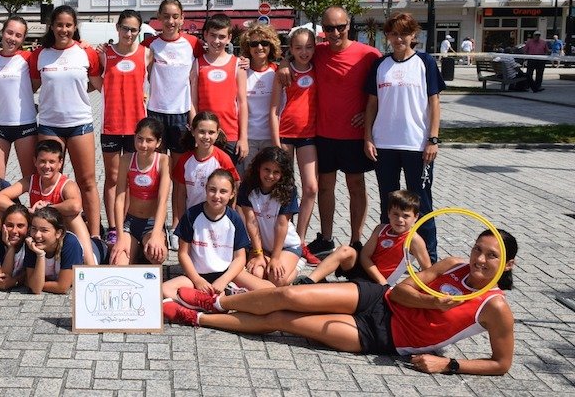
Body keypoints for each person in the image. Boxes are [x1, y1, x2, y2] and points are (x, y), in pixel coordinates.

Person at [165, 229, 518, 377]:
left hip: (383, 337)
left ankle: (193, 319)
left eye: (491, 256)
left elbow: (501, 364)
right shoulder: (453, 263)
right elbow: (403, 290)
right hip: (378, 298)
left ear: (507, 264)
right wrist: (435, 303)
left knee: (285, 319)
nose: (480, 259)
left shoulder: (494, 306)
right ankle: (216, 302)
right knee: (289, 294)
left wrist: (450, 365)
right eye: (478, 249)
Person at [284, 6, 381, 260]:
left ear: (349, 25)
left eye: (340, 27)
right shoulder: (319, 52)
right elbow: (295, 55)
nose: (335, 32)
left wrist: (371, 114)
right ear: (322, 31)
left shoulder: (369, 55)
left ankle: (356, 241)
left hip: (354, 135)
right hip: (323, 134)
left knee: (356, 187)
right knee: (325, 188)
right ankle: (326, 238)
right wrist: (284, 64)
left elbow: (384, 89)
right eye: (329, 28)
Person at [364, 13, 443, 262]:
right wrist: (367, 137)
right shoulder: (380, 65)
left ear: (413, 36)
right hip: (384, 144)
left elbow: (434, 102)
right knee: (388, 204)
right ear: (387, 36)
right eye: (393, 34)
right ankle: (387, 255)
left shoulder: (425, 62)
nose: (399, 39)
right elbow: (371, 104)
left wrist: (433, 138)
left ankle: (428, 258)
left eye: (404, 34)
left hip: (416, 145)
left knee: (422, 203)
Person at [28, 5, 103, 239]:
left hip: (79, 123)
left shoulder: (86, 52)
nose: (64, 29)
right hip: (49, 124)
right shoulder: (40, 54)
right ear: (52, 26)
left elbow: (97, 84)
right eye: (59, 24)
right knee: (49, 180)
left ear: (75, 26)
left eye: (68, 25)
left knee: (87, 181)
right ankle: (49, 233)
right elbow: (30, 87)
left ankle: (94, 235)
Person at [142, 0, 204, 222]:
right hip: (155, 114)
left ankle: (178, 223)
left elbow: (205, 68)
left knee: (179, 175)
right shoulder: (150, 45)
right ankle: (152, 222)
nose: (171, 21)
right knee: (155, 173)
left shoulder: (192, 44)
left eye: (175, 16)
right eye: (166, 16)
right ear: (159, 18)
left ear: (182, 18)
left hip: (180, 115)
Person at [0, 139, 101, 265]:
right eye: (42, 161)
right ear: (35, 162)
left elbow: (76, 206)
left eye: (52, 162)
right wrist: (26, 211)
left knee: (73, 217)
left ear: (60, 163)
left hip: (60, 235)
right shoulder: (30, 180)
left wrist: (48, 208)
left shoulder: (67, 184)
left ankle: (90, 265)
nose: (47, 166)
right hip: (39, 232)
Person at [161, 170, 270, 299]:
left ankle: (209, 299)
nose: (217, 196)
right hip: (198, 275)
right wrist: (197, 280)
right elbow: (183, 254)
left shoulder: (234, 219)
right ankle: (217, 301)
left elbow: (240, 258)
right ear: (206, 189)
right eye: (212, 189)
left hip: (228, 275)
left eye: (223, 191)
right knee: (163, 289)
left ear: (231, 194)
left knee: (270, 290)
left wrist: (224, 280)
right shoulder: (191, 215)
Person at [294, 190, 431, 286]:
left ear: (416, 217)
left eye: (406, 216)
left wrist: (385, 284)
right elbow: (365, 256)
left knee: (341, 294)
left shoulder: (414, 240)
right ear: (388, 213)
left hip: (377, 283)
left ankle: (323, 289)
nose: (400, 219)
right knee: (345, 250)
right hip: (364, 270)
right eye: (395, 214)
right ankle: (309, 281)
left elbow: (429, 271)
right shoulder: (381, 228)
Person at [98, 10, 152, 245]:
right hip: (111, 126)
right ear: (117, 28)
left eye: (133, 30)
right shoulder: (104, 54)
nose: (129, 33)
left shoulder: (147, 54)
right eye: (125, 28)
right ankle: (112, 226)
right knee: (111, 178)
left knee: (129, 178)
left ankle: (126, 225)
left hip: (135, 128)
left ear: (139, 32)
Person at [270, 28, 318, 263]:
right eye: (298, 48)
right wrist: (276, 142)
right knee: (285, 189)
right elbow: (273, 110)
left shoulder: (318, 68)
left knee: (310, 188)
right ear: (290, 49)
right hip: (286, 136)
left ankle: (299, 241)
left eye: (309, 47)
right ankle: (281, 239)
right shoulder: (283, 72)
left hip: (309, 136)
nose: (304, 52)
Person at [237, 147, 304, 287]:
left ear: (282, 174)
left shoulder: (289, 191)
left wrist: (275, 258)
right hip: (262, 247)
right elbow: (251, 222)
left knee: (277, 279)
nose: (270, 176)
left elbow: (282, 225)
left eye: (276, 172)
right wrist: (259, 254)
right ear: (258, 168)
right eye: (266, 169)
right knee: (256, 274)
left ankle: (297, 267)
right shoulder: (247, 187)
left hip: (286, 246)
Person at [110, 117, 171, 265]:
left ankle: (143, 251)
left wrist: (156, 234)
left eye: (149, 140)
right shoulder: (126, 160)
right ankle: (133, 252)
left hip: (152, 223)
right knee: (118, 262)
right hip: (130, 222)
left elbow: (163, 201)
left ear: (158, 142)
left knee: (157, 255)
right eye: (139, 139)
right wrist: (119, 236)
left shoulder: (163, 161)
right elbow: (119, 199)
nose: (143, 145)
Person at [192, 13, 248, 167]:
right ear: (205, 35)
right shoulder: (197, 64)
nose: (217, 41)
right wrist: (195, 132)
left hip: (230, 134)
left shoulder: (238, 65)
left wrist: (243, 138)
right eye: (213, 36)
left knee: (229, 183)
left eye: (222, 37)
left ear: (229, 38)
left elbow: (242, 103)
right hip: (205, 134)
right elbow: (193, 102)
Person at [0, 16, 38, 180]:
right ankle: (8, 206)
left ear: (23, 39)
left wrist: (83, 44)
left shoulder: (29, 58)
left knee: (30, 179)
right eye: (9, 33)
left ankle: (31, 207)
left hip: (24, 125)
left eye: (18, 35)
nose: (12, 38)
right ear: (2, 33)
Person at [171, 111, 239, 231]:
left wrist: (229, 215)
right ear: (193, 132)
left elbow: (234, 187)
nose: (206, 137)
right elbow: (180, 194)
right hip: (192, 219)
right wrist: (182, 221)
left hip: (217, 219)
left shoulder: (223, 159)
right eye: (202, 131)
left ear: (218, 133)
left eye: (211, 132)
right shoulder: (185, 160)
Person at [24, 206, 90, 294]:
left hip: (95, 251)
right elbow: (36, 289)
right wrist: (40, 255)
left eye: (44, 230)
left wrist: (35, 283)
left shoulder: (70, 243)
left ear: (58, 233)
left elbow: (62, 287)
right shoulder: (31, 243)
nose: (37, 235)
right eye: (34, 229)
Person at [241, 23, 281, 170]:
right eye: (254, 44)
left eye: (264, 43)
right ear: (248, 47)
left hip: (270, 137)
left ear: (271, 46)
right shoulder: (241, 71)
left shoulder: (278, 71)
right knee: (248, 179)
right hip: (248, 138)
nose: (259, 47)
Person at [0, 204, 32, 290]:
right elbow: (1, 281)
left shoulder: (31, 242)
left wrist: (15, 281)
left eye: (20, 226)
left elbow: (30, 274)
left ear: (28, 227)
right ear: (3, 226)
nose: (14, 231)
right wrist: (11, 248)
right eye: (9, 225)